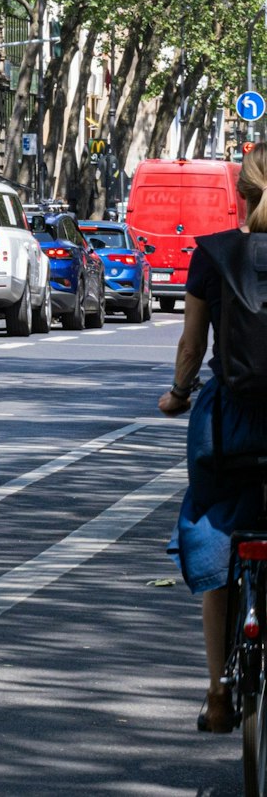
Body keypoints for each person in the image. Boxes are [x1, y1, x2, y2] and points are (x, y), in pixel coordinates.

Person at [163, 145, 267, 734]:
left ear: (241, 197)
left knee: (217, 524)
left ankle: (219, 692)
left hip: (229, 429)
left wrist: (178, 393)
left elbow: (191, 348)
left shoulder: (213, 255)